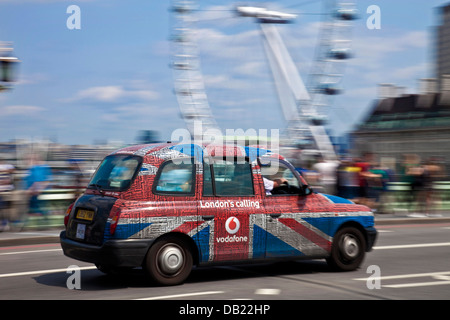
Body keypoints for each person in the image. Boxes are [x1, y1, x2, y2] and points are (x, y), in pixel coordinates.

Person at [0, 161, 15, 231]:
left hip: (7, 192)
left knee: (6, 209)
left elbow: (12, 170)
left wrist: (3, 171)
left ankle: (6, 224)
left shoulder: (7, 166)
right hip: (2, 192)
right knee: (2, 209)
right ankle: (4, 224)